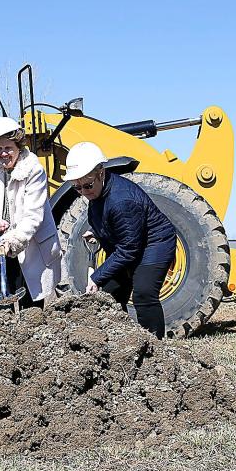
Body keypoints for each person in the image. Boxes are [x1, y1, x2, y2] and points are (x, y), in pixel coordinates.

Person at [64, 142, 177, 337]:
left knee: (144, 293)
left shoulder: (122, 200)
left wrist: (96, 276)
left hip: (155, 244)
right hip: (131, 243)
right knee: (109, 296)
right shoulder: (97, 192)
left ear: (101, 173)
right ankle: (122, 341)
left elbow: (129, 250)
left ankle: (155, 347)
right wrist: (98, 231)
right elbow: (112, 221)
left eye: (88, 185)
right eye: (77, 188)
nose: (83, 192)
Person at [0, 117, 61, 308]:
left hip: (29, 244)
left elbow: (33, 215)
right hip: (0, 244)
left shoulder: (34, 171)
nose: (3, 154)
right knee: (1, 306)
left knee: (31, 309)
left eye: (8, 148)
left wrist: (13, 241)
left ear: (19, 147)